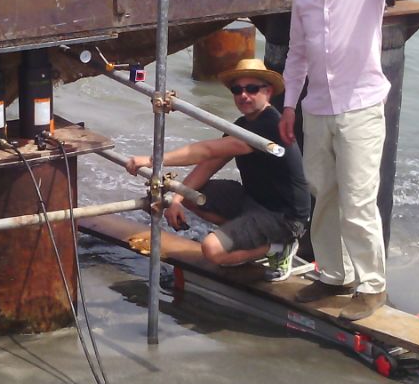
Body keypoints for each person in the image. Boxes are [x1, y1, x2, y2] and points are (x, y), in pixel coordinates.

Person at [279, 0, 419, 320]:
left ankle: (372, 286)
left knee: (359, 199)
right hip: (317, 109)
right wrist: (288, 105)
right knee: (323, 195)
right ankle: (334, 275)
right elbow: (297, 53)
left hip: (361, 107)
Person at [126, 58, 310, 280]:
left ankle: (279, 247)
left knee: (211, 250)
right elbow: (209, 164)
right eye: (237, 90)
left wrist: (152, 160)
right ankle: (246, 239)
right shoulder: (242, 125)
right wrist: (177, 200)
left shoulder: (270, 125)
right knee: (191, 195)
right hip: (254, 201)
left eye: (252, 89)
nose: (244, 95)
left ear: (268, 92)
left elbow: (206, 150)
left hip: (284, 216)